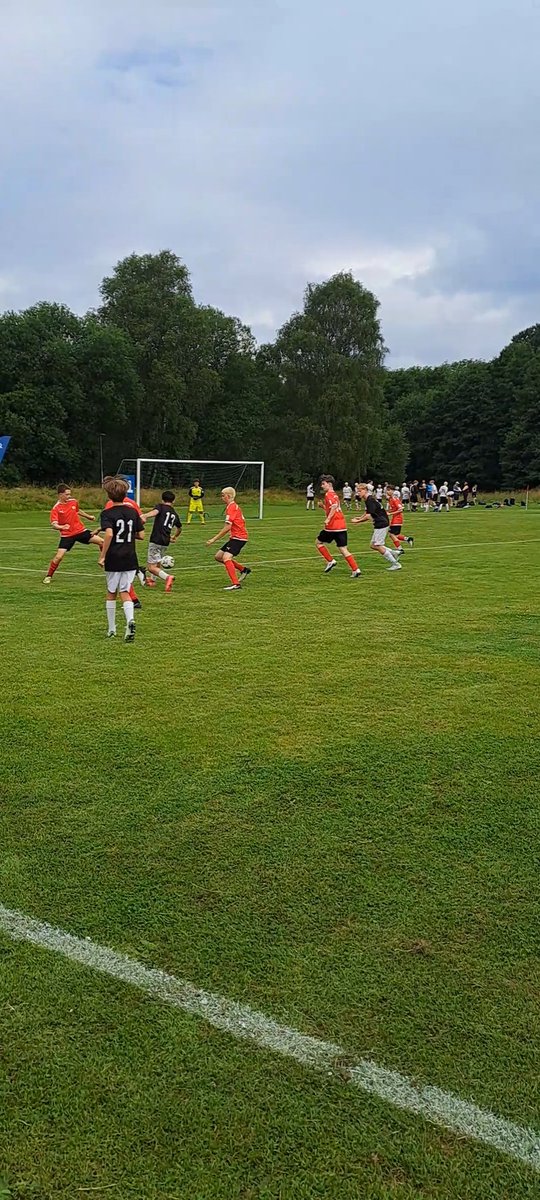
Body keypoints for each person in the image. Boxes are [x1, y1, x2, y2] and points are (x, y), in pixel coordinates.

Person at [99, 477, 145, 642]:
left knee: (112, 592)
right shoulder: (132, 512)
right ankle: (130, 620)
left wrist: (102, 555)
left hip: (114, 557)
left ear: (109, 495)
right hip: (130, 556)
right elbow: (141, 534)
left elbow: (110, 534)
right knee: (125, 591)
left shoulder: (107, 513)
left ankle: (112, 629)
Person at [43, 484, 103, 584]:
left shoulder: (73, 502)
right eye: (67, 495)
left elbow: (77, 510)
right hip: (67, 535)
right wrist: (62, 527)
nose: (69, 496)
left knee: (102, 542)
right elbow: (54, 524)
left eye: (70, 494)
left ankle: (103, 560)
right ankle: (48, 576)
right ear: (60, 495)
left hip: (80, 531)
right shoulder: (56, 508)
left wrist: (88, 517)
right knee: (59, 557)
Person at [315, 475, 361, 578]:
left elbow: (334, 507)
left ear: (329, 484)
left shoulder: (328, 495)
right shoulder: (335, 495)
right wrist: (323, 507)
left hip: (332, 526)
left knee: (318, 542)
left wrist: (327, 519)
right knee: (343, 549)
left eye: (323, 484)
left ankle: (330, 561)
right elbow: (333, 508)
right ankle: (355, 569)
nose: (322, 486)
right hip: (342, 525)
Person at [206, 486, 251, 591]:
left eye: (223, 495)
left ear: (229, 496)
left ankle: (236, 584)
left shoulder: (231, 507)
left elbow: (227, 527)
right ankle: (243, 569)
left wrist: (213, 539)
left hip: (239, 538)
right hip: (236, 537)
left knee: (226, 558)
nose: (222, 497)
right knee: (218, 557)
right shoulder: (232, 506)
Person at [352, 484, 401, 570]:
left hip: (381, 523)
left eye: (360, 491)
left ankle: (395, 564)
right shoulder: (368, 499)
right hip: (380, 523)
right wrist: (360, 517)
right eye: (357, 491)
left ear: (365, 490)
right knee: (373, 545)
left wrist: (358, 521)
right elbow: (367, 512)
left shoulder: (370, 500)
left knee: (378, 545)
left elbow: (368, 516)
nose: (358, 493)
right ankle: (394, 552)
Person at [142, 491, 181, 591]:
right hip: (165, 541)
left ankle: (167, 577)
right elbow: (179, 528)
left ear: (162, 499)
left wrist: (145, 515)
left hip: (156, 539)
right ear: (173, 501)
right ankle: (152, 579)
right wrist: (174, 536)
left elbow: (155, 513)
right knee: (157, 561)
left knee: (151, 567)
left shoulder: (160, 507)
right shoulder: (174, 513)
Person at [386, 486, 414, 553]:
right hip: (395, 519)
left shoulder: (394, 499)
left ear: (392, 491)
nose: (387, 492)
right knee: (396, 535)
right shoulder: (390, 499)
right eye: (386, 490)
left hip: (397, 519)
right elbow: (393, 509)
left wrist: (391, 513)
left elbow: (401, 509)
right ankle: (408, 539)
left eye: (388, 490)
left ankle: (400, 549)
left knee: (391, 534)